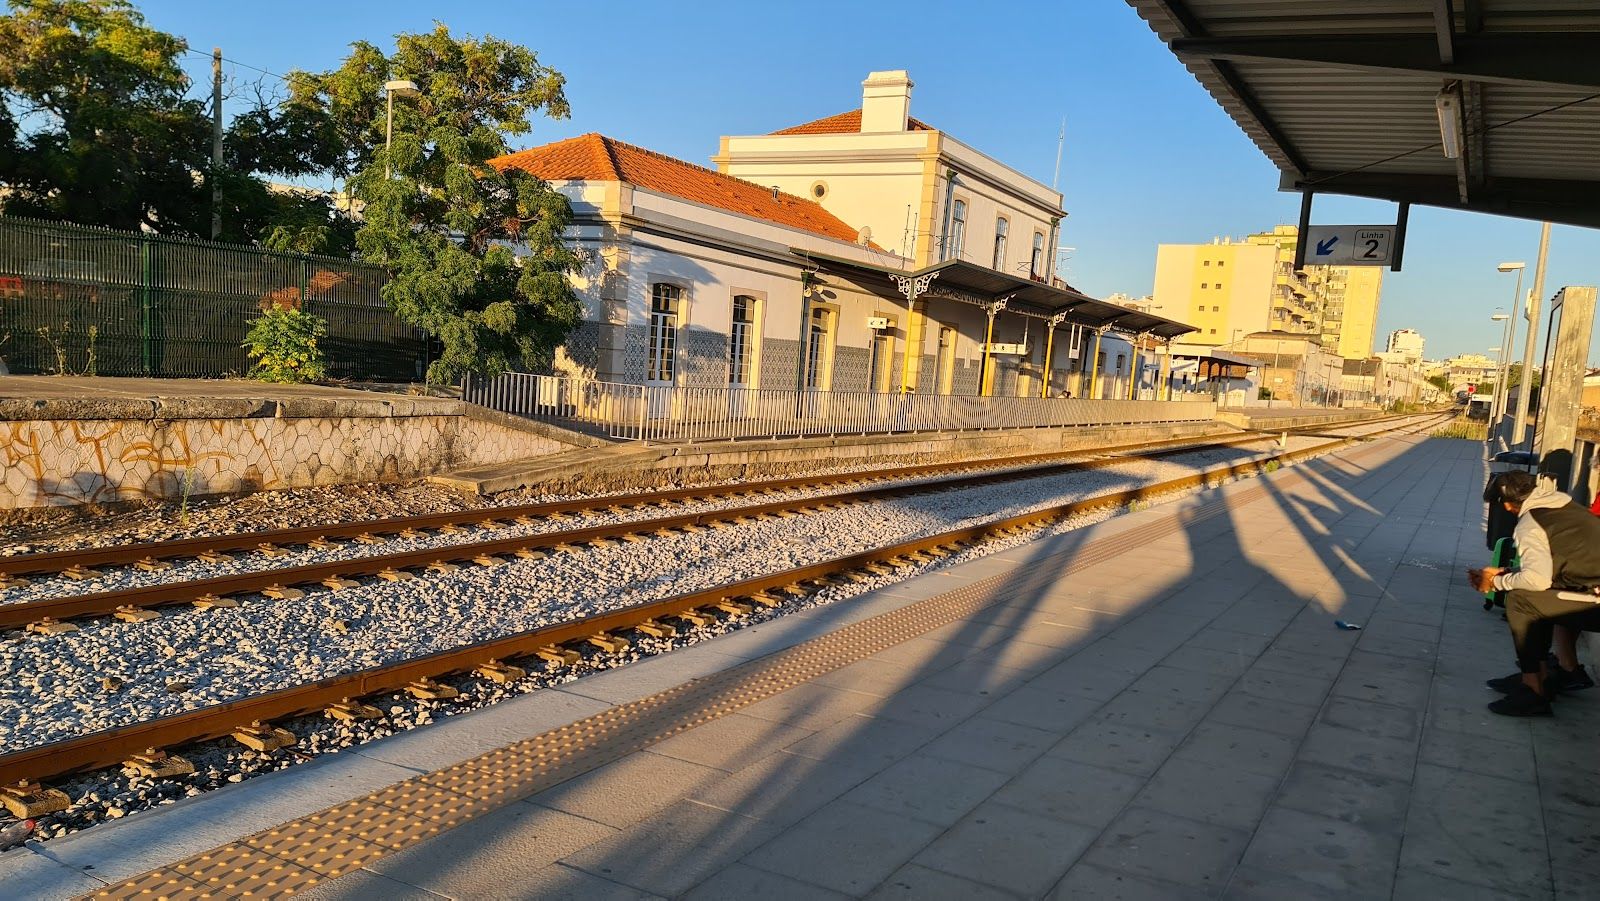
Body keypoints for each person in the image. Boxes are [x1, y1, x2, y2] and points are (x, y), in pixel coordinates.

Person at [1469, 471, 1600, 716]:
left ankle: (1534, 691)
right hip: (1590, 588)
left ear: (1506, 505)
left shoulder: (1529, 524)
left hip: (1594, 601)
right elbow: (1555, 565)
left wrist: (1496, 583)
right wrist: (1506, 572)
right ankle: (1539, 677)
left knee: (1521, 600)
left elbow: (1537, 580)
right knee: (1534, 597)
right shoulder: (1561, 503)